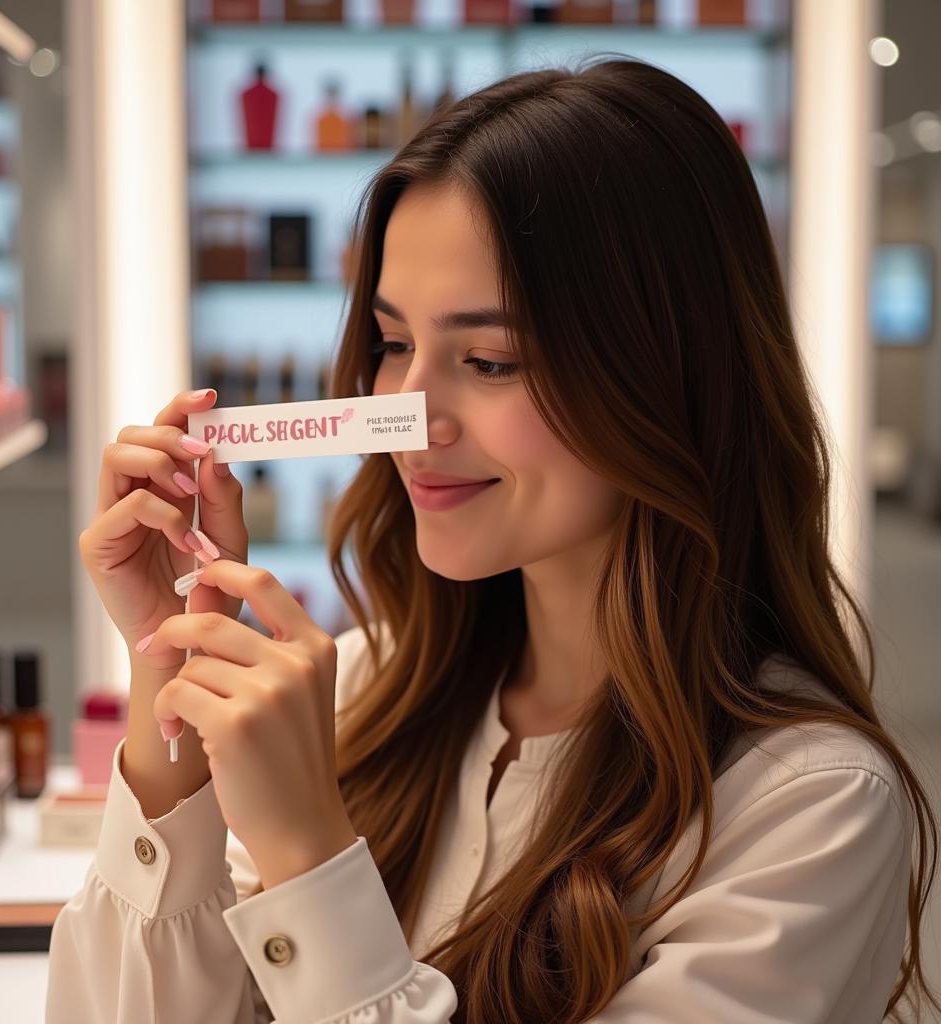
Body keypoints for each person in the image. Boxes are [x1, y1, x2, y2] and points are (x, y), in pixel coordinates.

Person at [46, 56, 939, 1023]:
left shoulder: (808, 807)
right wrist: (165, 683)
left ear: (669, 374)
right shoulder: (357, 690)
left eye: (490, 359)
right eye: (393, 344)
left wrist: (309, 855)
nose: (408, 412)